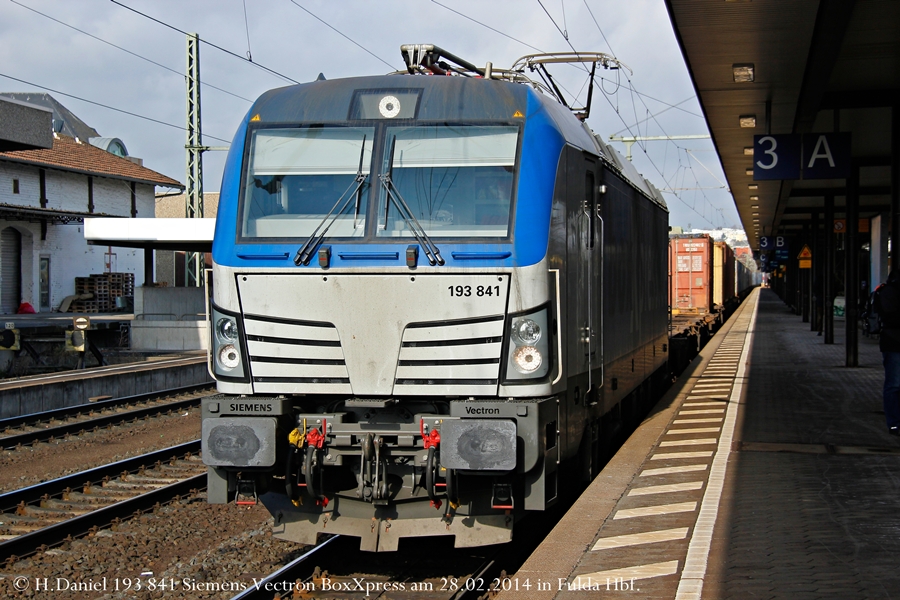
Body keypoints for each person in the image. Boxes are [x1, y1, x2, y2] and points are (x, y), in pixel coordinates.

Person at [874, 270, 900, 436]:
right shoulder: (889, 293)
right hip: (894, 343)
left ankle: (895, 423)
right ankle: (895, 423)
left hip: (892, 342)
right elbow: (890, 316)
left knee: (894, 384)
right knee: (894, 384)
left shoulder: (885, 291)